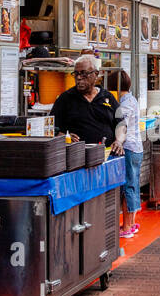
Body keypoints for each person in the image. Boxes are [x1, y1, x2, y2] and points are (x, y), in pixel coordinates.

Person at [51, 53, 126, 151]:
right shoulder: (65, 98)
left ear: (96, 74)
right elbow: (50, 127)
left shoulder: (108, 97)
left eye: (84, 73)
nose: (78, 78)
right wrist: (63, 136)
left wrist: (119, 141)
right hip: (77, 157)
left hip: (107, 155)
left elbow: (121, 124)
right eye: (76, 74)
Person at [108, 70, 142, 238]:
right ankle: (132, 223)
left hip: (128, 147)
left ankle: (127, 226)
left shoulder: (124, 103)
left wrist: (117, 141)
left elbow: (123, 126)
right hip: (135, 147)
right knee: (133, 185)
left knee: (128, 186)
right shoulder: (130, 99)